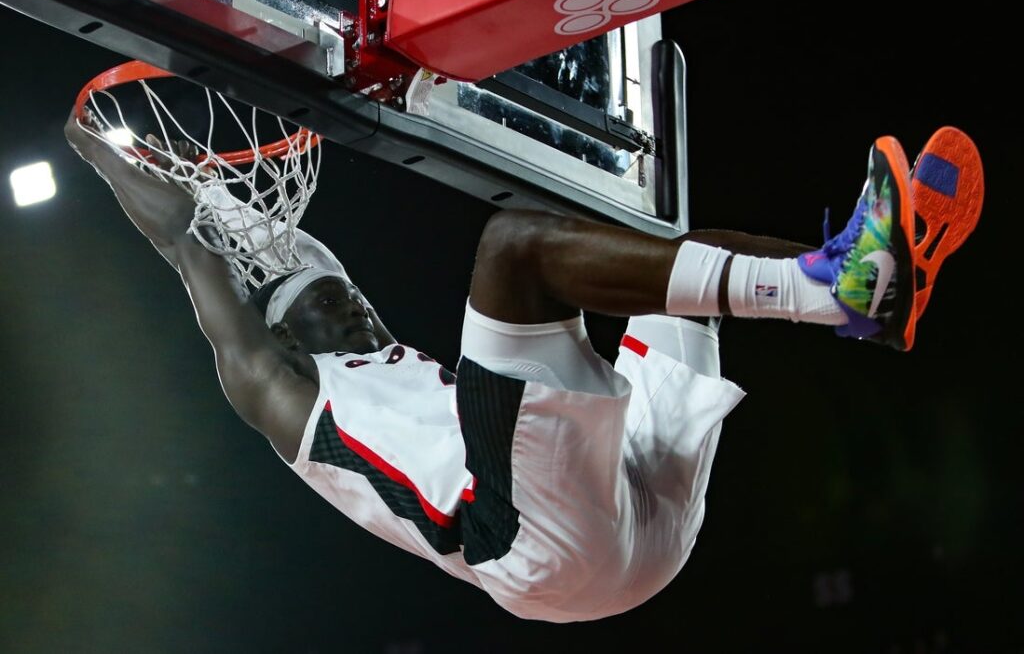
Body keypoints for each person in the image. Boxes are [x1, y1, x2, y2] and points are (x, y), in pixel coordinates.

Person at [64, 112, 983, 622]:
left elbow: (280, 251)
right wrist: (100, 146)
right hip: (536, 550)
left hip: (621, 521)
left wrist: (227, 195)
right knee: (514, 248)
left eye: (346, 294)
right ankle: (844, 287)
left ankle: (873, 285)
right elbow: (190, 248)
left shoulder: (380, 351)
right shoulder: (287, 397)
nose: (352, 304)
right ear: (290, 337)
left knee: (674, 262)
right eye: (327, 306)